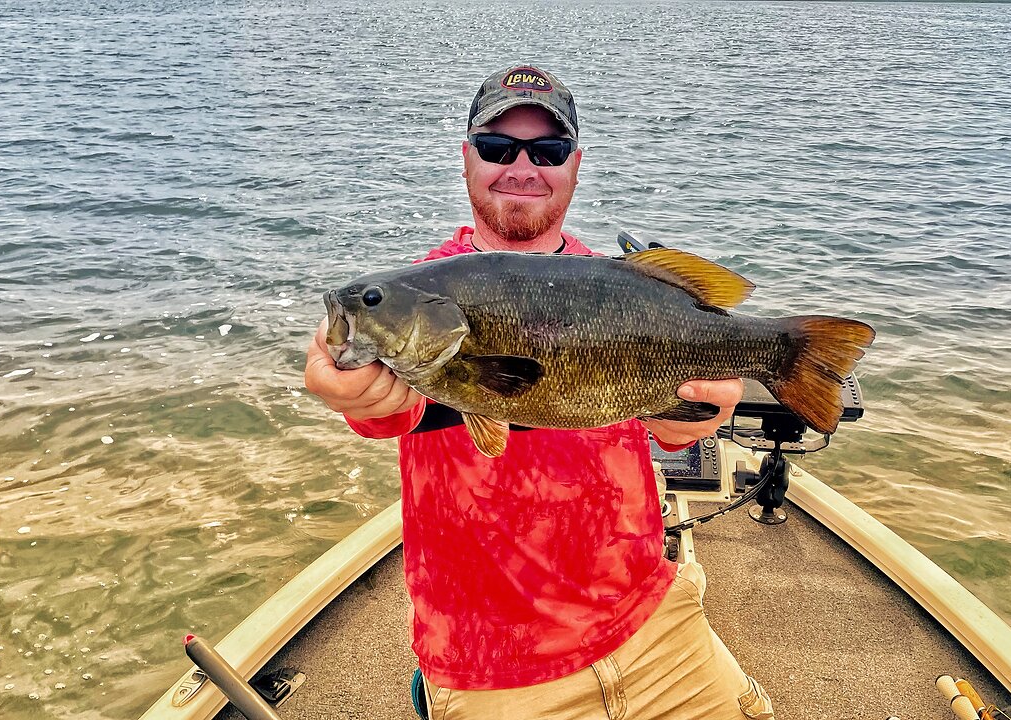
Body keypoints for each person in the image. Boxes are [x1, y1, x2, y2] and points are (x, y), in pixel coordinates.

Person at [305, 65, 774, 720]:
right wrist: (344, 377)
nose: (521, 166)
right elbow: (379, 401)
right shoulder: (425, 292)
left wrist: (693, 415)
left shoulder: (620, 283)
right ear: (467, 159)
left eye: (547, 151)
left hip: (654, 622)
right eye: (498, 147)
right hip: (492, 667)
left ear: (575, 166)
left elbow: (673, 418)